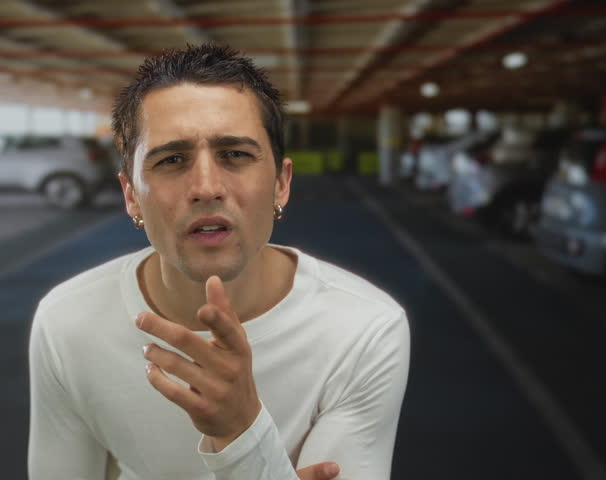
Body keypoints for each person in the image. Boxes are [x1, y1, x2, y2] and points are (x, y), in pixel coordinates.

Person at [28, 44, 410, 480]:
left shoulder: (364, 330)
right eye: (172, 159)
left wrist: (240, 430)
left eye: (235, 155)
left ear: (281, 185)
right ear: (131, 194)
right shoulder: (67, 321)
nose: (206, 186)